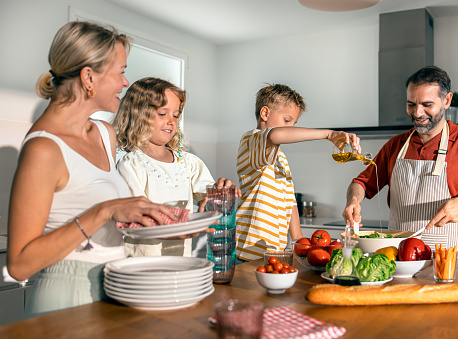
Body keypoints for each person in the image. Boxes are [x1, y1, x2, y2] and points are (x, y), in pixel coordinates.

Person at [6, 21, 192, 318]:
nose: (124, 82)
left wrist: (159, 223)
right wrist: (102, 211)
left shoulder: (105, 134)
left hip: (114, 283)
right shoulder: (43, 149)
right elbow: (19, 264)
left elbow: (109, 224)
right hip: (65, 294)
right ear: (88, 77)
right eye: (120, 71)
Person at [343, 66, 458, 259]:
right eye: (411, 104)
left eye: (427, 104)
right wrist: (353, 200)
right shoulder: (395, 145)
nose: (417, 113)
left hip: (445, 261)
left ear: (447, 100)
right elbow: (361, 183)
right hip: (397, 258)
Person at [113, 77, 240, 257]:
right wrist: (172, 228)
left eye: (176, 114)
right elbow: (134, 218)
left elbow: (210, 198)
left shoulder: (189, 163)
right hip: (143, 266)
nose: (172, 121)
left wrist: (221, 192)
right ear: (138, 114)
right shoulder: (131, 165)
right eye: (162, 113)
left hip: (181, 262)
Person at [236, 83, 361, 261]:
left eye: (294, 124)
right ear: (265, 113)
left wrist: (300, 245)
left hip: (274, 252)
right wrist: (328, 134)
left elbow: (291, 204)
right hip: (248, 251)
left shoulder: (280, 158)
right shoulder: (251, 140)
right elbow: (273, 135)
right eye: (287, 121)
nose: (291, 128)